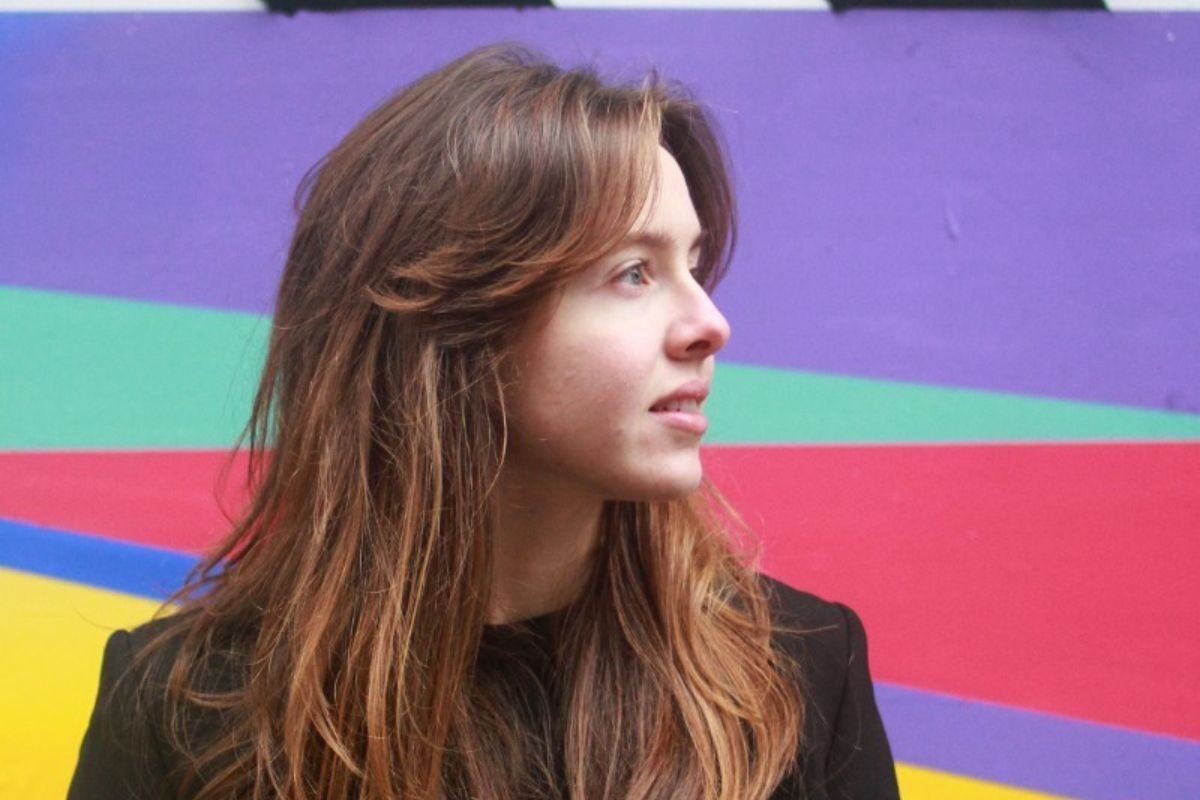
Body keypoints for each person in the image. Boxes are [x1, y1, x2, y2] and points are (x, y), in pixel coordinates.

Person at [67, 44, 900, 800]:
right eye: (634, 273)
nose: (709, 324)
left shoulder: (801, 673)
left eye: (693, 264)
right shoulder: (181, 712)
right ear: (454, 328)